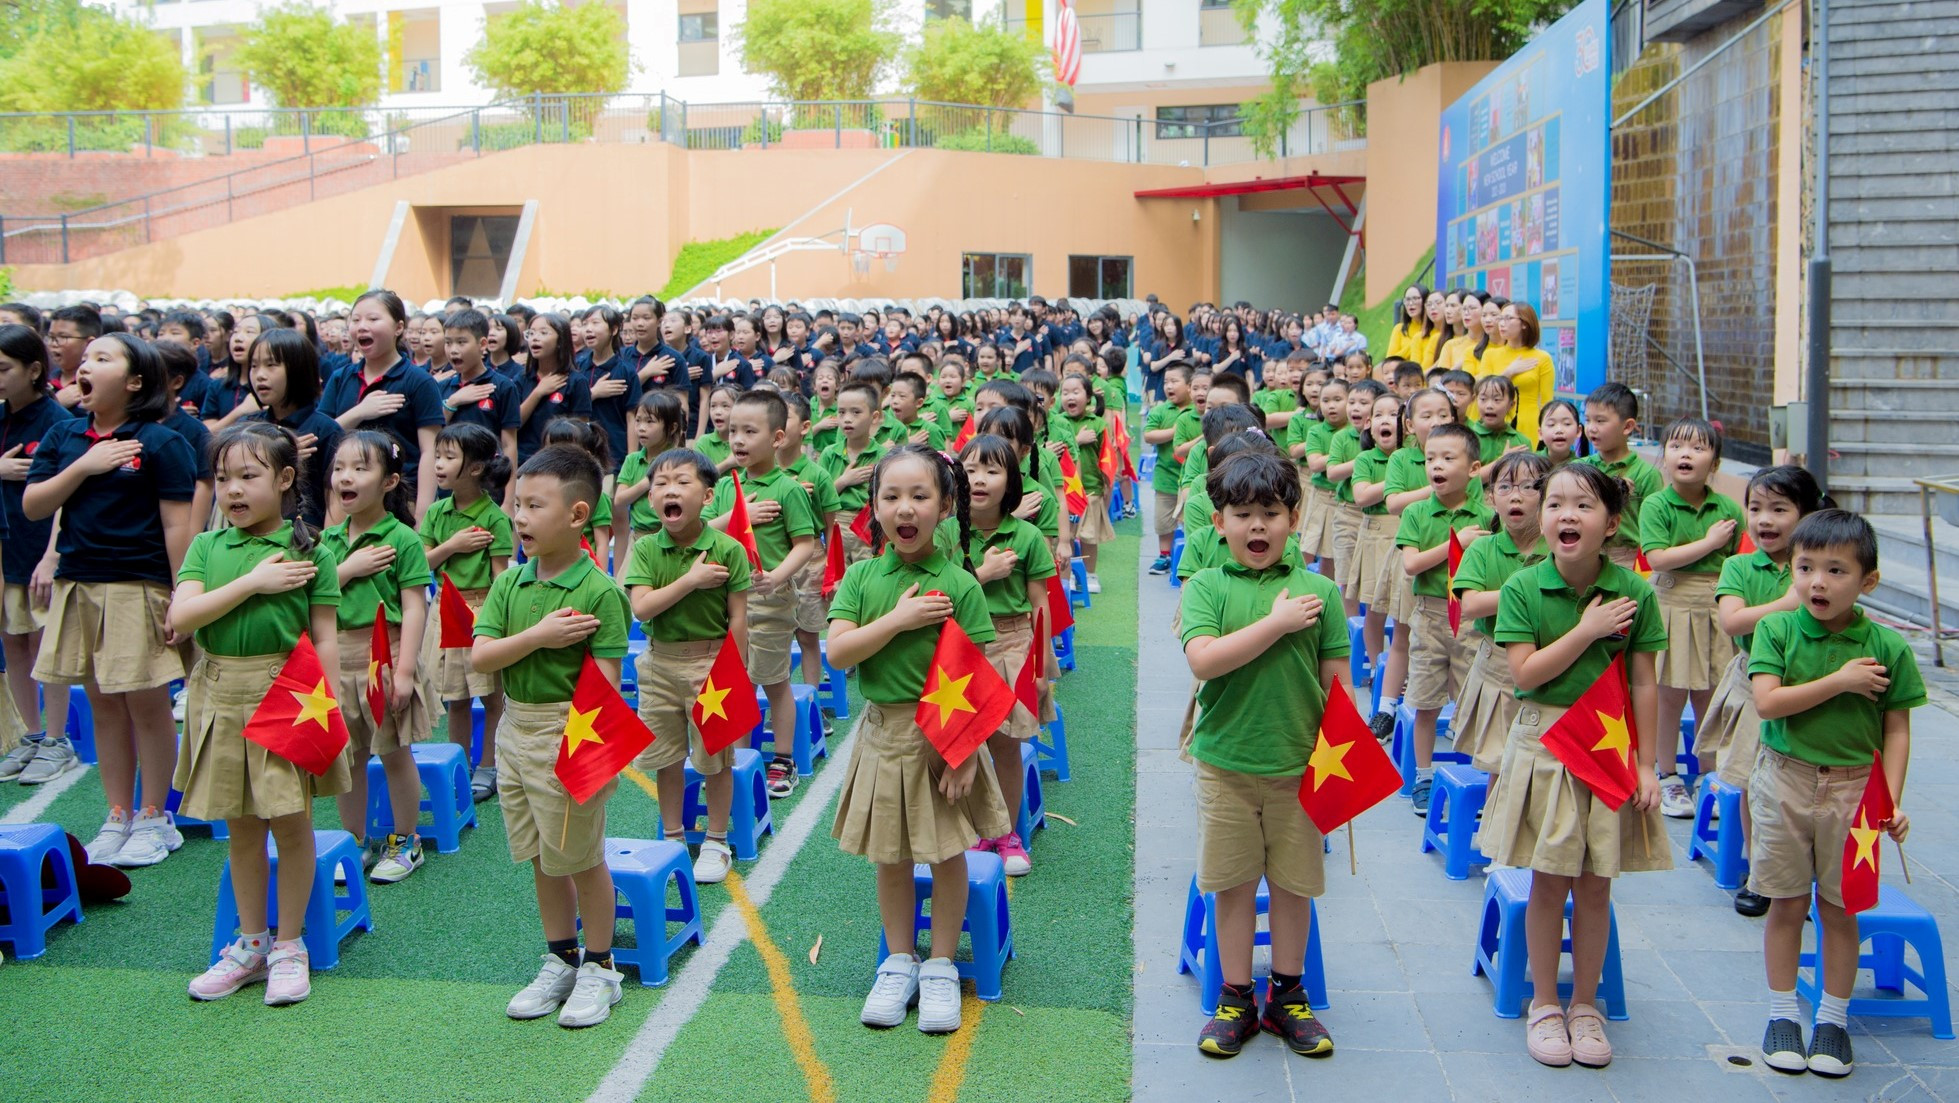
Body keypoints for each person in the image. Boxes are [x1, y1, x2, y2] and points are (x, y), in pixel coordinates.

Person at [1482, 463, 1671, 1069]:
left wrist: (1648, 766)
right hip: (1544, 744)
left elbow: (1645, 682)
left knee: (1596, 884)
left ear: (1611, 523)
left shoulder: (1635, 591)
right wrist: (1589, 629)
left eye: (1584, 506)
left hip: (1608, 748)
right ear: (1542, 518)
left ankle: (1585, 1006)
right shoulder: (1522, 587)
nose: (1567, 515)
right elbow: (1525, 673)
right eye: (1555, 503)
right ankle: (1543, 1004)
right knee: (1548, 881)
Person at [828, 445, 1012, 1034]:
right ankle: (899, 961)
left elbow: (976, 673)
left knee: (945, 851)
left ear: (945, 505)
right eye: (891, 496)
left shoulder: (959, 583)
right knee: (892, 854)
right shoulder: (861, 577)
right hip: (883, 732)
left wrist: (961, 755)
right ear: (874, 506)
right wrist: (898, 621)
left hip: (943, 736)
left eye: (920, 496)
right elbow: (837, 652)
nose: (905, 509)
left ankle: (939, 968)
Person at [1180, 449, 1347, 1058]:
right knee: (1230, 884)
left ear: (1294, 517)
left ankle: (1287, 995)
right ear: (1218, 521)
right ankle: (1233, 996)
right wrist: (1276, 624)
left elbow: (1336, 683)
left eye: (1270, 513)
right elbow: (1203, 661)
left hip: (1299, 766)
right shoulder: (1206, 585)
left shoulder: (1320, 591)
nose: (1257, 526)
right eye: (1242, 513)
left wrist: (1342, 755)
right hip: (1225, 764)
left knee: (1293, 884)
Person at [172, 422, 346, 1004]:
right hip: (217, 695)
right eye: (223, 479)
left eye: (249, 476)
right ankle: (250, 943)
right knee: (241, 829)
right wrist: (253, 581)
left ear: (286, 479)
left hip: (287, 695)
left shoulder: (310, 551)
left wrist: (328, 699)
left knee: (291, 825)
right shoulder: (206, 546)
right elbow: (183, 618)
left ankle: (288, 945)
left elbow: (323, 636)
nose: (233, 490)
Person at [1748, 509, 1923, 1079]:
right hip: (1784, 780)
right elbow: (1768, 703)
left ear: (1867, 581)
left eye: (1835, 570)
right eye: (1805, 568)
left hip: (1855, 792)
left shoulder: (1889, 646)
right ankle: (1781, 1016)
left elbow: (1896, 727)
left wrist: (1890, 801)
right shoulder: (1777, 630)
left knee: (1840, 908)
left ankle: (1833, 1019)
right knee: (1787, 904)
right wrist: (1841, 681)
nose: (1817, 582)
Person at [471, 445, 634, 1029]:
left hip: (573, 729)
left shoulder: (600, 592)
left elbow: (607, 684)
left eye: (534, 506)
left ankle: (600, 966)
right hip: (514, 728)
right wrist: (539, 636)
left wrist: (586, 748)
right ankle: (561, 956)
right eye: (517, 505)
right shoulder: (510, 585)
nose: (519, 518)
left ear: (577, 515)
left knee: (583, 857)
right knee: (541, 855)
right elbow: (482, 656)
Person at [24, 332, 198, 867]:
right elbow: (34, 505)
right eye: (87, 357)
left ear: (135, 381)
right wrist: (84, 467)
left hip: (138, 587)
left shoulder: (161, 443)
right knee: (102, 706)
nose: (86, 365)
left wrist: (181, 597)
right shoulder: (64, 436)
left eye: (104, 358)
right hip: (80, 585)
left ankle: (155, 816)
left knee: (146, 705)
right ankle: (117, 813)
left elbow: (177, 525)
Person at [1694, 465, 1825, 917]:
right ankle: (1760, 870)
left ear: (1807, 514)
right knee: (1752, 782)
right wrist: (1788, 604)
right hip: (1754, 684)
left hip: (1810, 686)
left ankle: (1805, 872)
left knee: (1802, 783)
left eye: (1779, 509)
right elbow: (1732, 621)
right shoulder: (1738, 565)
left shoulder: (1819, 566)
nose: (1764, 520)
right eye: (1755, 509)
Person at [624, 447, 753, 885]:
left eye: (681, 482)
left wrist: (738, 673)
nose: (669, 491)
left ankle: (716, 840)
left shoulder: (727, 548)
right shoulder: (645, 550)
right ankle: (675, 837)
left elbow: (738, 616)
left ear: (708, 496)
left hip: (712, 663)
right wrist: (690, 580)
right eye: (659, 484)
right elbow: (641, 608)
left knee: (715, 755)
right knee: (667, 757)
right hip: (659, 663)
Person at [321, 432, 435, 883]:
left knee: (394, 754)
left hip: (382, 661)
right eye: (339, 468)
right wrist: (346, 569)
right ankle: (353, 841)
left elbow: (414, 605)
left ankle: (406, 841)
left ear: (389, 482)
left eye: (360, 468)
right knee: (348, 759)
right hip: (338, 661)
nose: (345, 477)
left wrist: (404, 670)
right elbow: (315, 599)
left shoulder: (402, 538)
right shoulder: (326, 539)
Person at [953, 434, 1057, 876]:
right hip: (958, 644)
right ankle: (969, 831)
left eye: (993, 471)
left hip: (1012, 642)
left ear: (1011, 481)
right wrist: (982, 572)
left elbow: (1039, 603)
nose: (979, 480)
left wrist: (1040, 665)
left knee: (1006, 745)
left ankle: (1006, 833)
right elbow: (941, 593)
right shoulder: (945, 532)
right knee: (962, 746)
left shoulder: (1028, 535)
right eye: (971, 469)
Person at [709, 391, 818, 800]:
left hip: (769, 599)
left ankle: (783, 758)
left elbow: (805, 544)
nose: (737, 439)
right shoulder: (725, 487)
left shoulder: (788, 489)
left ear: (776, 438)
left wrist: (776, 577)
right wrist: (740, 516)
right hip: (725, 603)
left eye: (749, 431)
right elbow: (703, 535)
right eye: (733, 430)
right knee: (734, 682)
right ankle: (740, 758)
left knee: (773, 682)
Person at [1639, 417, 1745, 819]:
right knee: (1668, 694)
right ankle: (1667, 774)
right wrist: (1709, 542)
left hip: (1716, 607)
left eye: (1698, 448)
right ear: (1663, 457)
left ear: (1714, 463)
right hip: (1670, 603)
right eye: (1677, 446)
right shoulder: (1657, 504)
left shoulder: (1730, 509)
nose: (1686, 454)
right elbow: (1657, 559)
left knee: (1712, 693)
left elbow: (1735, 560)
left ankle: (1710, 774)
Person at [1393, 422, 1494, 814]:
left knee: (1475, 699)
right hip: (1430, 616)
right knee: (1425, 698)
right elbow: (1412, 565)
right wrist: (1455, 544)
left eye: (1448, 458)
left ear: (1473, 468)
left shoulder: (1487, 515)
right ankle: (1423, 774)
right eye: (1430, 458)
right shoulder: (1417, 512)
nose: (1436, 465)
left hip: (1474, 619)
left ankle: (1476, 776)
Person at [421, 422, 514, 802]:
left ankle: (488, 767)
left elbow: (500, 577)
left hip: (480, 610)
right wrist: (453, 545)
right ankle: (459, 766)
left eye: (448, 457)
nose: (438, 465)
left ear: (475, 468)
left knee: (491, 696)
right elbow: (421, 561)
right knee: (455, 697)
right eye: (437, 456)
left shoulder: (494, 518)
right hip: (445, 608)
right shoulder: (436, 513)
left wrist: (493, 624)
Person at [1450, 450, 1551, 796]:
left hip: (1549, 663)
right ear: (1491, 497)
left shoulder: (1558, 550)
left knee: (1542, 759)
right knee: (1500, 761)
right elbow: (1472, 604)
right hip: (1497, 666)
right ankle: (1496, 835)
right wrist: (1524, 590)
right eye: (1506, 487)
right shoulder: (1482, 549)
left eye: (1529, 486)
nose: (1517, 495)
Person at [0, 324, 73, 782]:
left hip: (43, 549)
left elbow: (68, 498)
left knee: (47, 645)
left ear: (34, 370)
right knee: (13, 641)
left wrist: (52, 556)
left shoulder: (57, 423)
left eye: (3, 368)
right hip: (6, 550)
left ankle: (57, 739)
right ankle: (31, 734)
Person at [321, 290, 445, 517]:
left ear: (399, 328)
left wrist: (422, 512)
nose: (361, 326)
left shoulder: (419, 381)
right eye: (355, 320)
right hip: (344, 499)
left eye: (373, 319)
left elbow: (430, 451)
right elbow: (322, 435)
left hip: (399, 500)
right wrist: (359, 412)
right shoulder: (340, 377)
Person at [245, 328, 342, 528]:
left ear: (299, 370)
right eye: (254, 366)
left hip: (307, 542)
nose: (259, 375)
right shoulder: (248, 427)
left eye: (271, 365)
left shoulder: (325, 430)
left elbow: (335, 499)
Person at [1578, 382, 1664, 571]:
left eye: (1600, 421)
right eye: (1588, 420)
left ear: (1627, 426)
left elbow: (1654, 527)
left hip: (1627, 561)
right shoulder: (1579, 468)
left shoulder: (1647, 474)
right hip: (1582, 555)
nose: (1591, 428)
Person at [440, 309, 522, 478]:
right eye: (448, 343)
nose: (453, 350)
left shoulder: (503, 386)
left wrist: (509, 499)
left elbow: (509, 444)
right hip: (449, 483)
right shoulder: (442, 387)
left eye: (461, 342)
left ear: (482, 344)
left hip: (489, 480)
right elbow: (434, 437)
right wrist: (453, 402)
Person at [612, 389, 687, 572]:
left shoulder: (680, 460)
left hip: (671, 540)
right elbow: (620, 499)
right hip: (638, 539)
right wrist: (649, 481)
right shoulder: (632, 460)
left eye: (650, 421)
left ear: (672, 427)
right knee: (628, 595)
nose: (641, 428)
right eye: (638, 420)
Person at [1051, 374, 1112, 592]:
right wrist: (1077, 440)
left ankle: (1090, 574)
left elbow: (1106, 457)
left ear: (1089, 397)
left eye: (1076, 392)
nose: (1070, 397)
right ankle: (1069, 576)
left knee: (1088, 537)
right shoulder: (1057, 423)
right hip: (1061, 491)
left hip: (1090, 489)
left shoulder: (1098, 424)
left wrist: (1106, 486)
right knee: (1065, 536)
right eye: (1065, 392)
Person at [818, 381, 888, 564]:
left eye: (856, 412)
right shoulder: (829, 453)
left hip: (868, 525)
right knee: (836, 582)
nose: (847, 419)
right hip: (835, 524)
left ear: (874, 417)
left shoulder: (884, 456)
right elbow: (818, 498)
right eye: (841, 412)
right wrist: (843, 481)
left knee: (866, 576)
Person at [515, 314, 594, 466]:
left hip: (559, 462)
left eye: (543, 333)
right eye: (531, 333)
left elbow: (581, 431)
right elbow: (514, 423)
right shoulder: (522, 378)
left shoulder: (576, 381)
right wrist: (538, 392)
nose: (535, 338)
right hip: (524, 460)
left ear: (560, 341)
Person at [1143, 361, 1196, 575]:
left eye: (1175, 381)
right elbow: (1149, 435)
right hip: (1166, 475)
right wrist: (1175, 431)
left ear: (1190, 385)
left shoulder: (1199, 410)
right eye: (1166, 382)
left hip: (1192, 477)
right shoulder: (1161, 410)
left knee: (1191, 518)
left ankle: (1190, 556)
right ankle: (1164, 555)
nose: (1169, 386)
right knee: (1163, 520)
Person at [1481, 303, 1555, 447]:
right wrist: (1508, 373)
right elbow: (1482, 391)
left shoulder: (1542, 358)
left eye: (1508, 318)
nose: (1502, 323)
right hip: (1496, 421)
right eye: (1500, 318)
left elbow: (1547, 403)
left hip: (1530, 424)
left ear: (1524, 324)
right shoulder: (1490, 354)